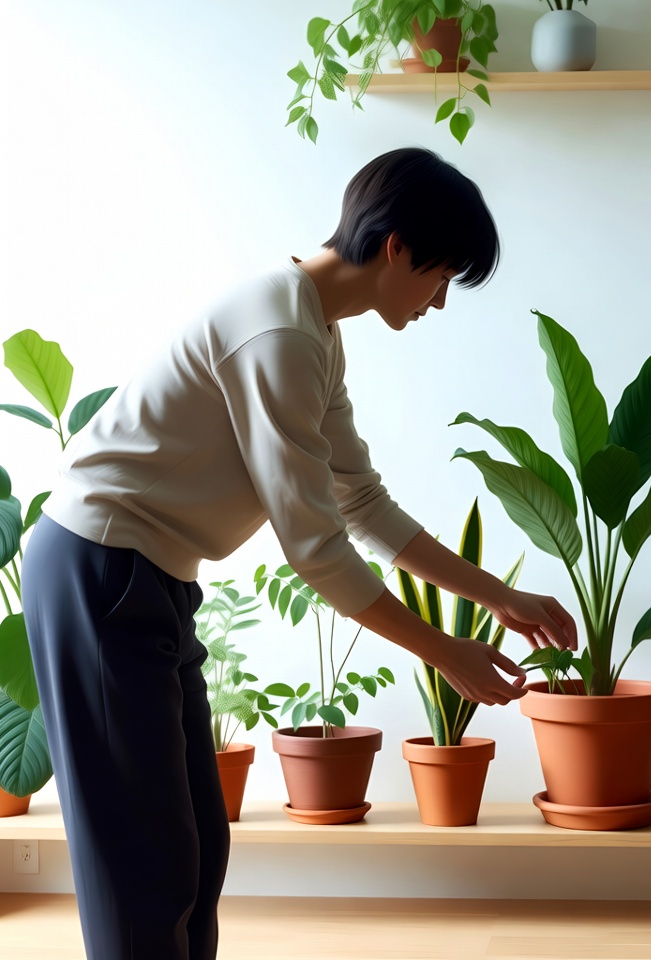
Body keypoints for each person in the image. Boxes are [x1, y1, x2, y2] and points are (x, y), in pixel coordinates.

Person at [21, 147, 577, 960]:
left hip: (148, 581)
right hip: (100, 571)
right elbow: (314, 547)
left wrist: (498, 595)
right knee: (146, 873)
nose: (438, 303)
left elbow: (361, 502)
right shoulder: (279, 328)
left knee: (196, 854)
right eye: (442, 277)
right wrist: (442, 651)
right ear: (396, 249)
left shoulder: (314, 328)